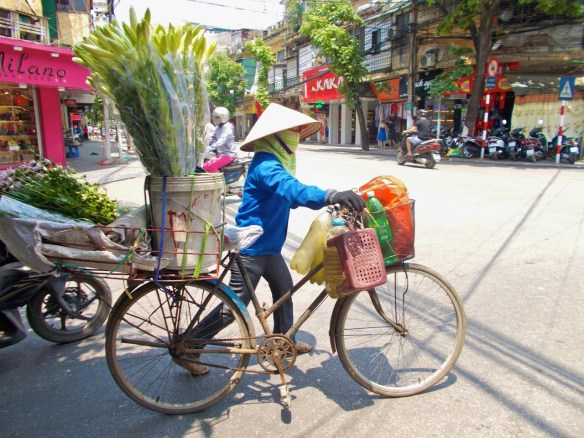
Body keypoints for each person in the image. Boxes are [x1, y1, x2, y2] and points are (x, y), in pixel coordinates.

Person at [175, 103, 366, 375]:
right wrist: (329, 195)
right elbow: (291, 189)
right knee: (234, 309)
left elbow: (289, 193)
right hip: (253, 249)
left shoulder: (275, 163)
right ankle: (191, 345)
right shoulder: (266, 164)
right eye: (291, 131)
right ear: (275, 137)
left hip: (270, 248)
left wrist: (324, 199)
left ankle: (283, 342)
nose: (296, 136)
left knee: (284, 292)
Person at [203, 107, 237, 173]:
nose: (213, 119)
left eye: (216, 117)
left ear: (222, 118)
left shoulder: (227, 127)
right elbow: (211, 138)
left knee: (210, 166)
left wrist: (209, 148)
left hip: (228, 155)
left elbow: (221, 141)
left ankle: (220, 182)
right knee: (205, 166)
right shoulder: (218, 127)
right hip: (220, 155)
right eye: (213, 117)